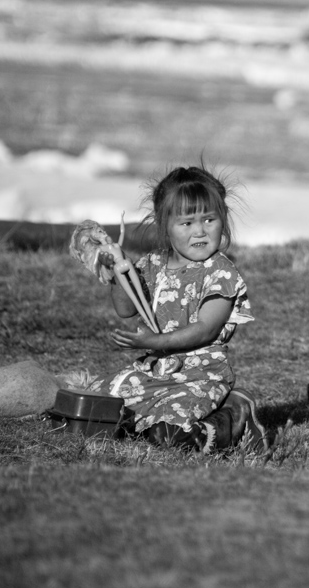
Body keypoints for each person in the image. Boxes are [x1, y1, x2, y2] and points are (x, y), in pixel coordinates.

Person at [85, 164, 264, 453]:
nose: (200, 231)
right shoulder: (152, 264)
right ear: (164, 225)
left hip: (201, 376)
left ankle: (233, 415)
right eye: (187, 223)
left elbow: (205, 330)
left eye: (209, 220)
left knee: (167, 434)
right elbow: (126, 309)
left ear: (224, 220)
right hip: (154, 372)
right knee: (97, 406)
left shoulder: (221, 273)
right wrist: (119, 273)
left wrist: (154, 342)